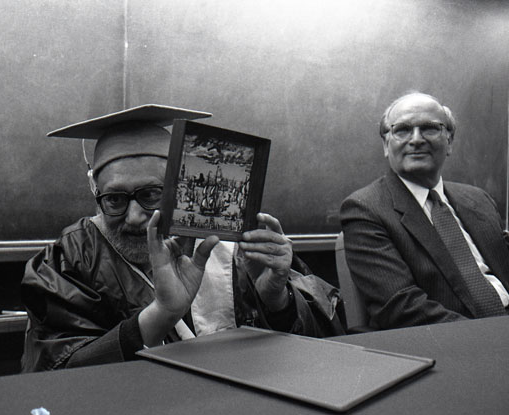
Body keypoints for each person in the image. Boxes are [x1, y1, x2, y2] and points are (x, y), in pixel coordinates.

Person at [21, 104, 343, 372]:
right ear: (97, 193)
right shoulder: (71, 259)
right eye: (114, 199)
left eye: (152, 194)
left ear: (181, 188)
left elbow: (329, 352)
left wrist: (278, 301)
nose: (134, 217)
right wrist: (160, 314)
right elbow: (58, 374)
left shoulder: (238, 247)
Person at [340, 92, 509, 330]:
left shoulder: (478, 199)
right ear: (386, 145)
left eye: (429, 128)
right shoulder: (365, 209)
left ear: (449, 141)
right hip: (461, 338)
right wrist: (493, 334)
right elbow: (402, 308)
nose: (416, 139)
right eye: (402, 130)